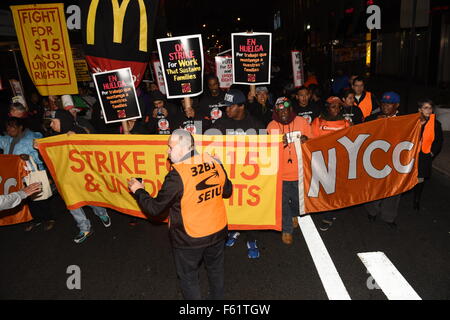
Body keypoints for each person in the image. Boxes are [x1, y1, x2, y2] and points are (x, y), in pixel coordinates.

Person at [128, 129, 232, 300]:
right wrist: (220, 167)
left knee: (189, 278)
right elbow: (227, 191)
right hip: (218, 231)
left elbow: (155, 209)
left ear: (183, 148)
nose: (167, 152)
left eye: (170, 147)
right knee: (215, 270)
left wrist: (139, 191)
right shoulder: (214, 161)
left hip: (190, 238)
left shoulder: (177, 175)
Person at [209, 89, 265, 259]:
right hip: (228, 176)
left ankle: (251, 238)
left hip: (249, 176)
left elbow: (267, 151)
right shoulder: (219, 124)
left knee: (248, 208)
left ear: (241, 106)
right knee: (229, 205)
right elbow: (207, 142)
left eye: (230, 106)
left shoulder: (256, 125)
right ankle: (233, 230)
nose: (226, 110)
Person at [45, 109, 112, 242]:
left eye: (53, 122)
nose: (51, 125)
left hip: (83, 176)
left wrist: (77, 139)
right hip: (66, 177)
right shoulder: (52, 137)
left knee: (91, 197)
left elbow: (94, 150)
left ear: (62, 121)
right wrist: (40, 149)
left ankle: (102, 213)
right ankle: (85, 228)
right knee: (73, 203)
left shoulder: (79, 131)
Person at [267, 97, 312, 244]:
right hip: (281, 174)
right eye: (280, 110)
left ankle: (294, 214)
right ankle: (287, 230)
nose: (284, 112)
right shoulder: (271, 126)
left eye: (286, 109)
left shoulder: (302, 122)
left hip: (299, 172)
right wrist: (279, 144)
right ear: (276, 112)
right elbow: (268, 151)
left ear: (291, 109)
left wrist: (307, 141)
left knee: (299, 202)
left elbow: (314, 142)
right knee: (283, 203)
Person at [0, 117, 56, 231]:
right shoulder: (7, 140)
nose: (9, 130)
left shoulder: (32, 138)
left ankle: (49, 218)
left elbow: (42, 158)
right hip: (17, 176)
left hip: (32, 173)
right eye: (8, 128)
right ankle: (37, 219)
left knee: (40, 197)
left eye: (12, 127)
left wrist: (29, 157)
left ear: (20, 127)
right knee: (28, 199)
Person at [310, 97, 351, 231]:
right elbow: (312, 141)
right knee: (324, 189)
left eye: (339, 106)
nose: (336, 109)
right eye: (333, 106)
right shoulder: (318, 121)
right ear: (327, 107)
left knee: (333, 190)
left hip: (338, 161)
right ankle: (326, 210)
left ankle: (329, 215)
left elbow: (350, 141)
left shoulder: (345, 123)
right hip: (322, 160)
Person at [364, 92, 402, 228]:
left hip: (395, 160)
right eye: (384, 103)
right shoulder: (372, 118)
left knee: (394, 190)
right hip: (375, 160)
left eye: (389, 103)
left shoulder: (405, 120)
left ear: (397, 105)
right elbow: (362, 136)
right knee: (375, 187)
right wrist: (375, 124)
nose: (385, 106)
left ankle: (389, 217)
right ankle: (372, 211)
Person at [413, 99, 443, 212]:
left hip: (424, 155)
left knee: (420, 179)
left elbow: (438, 141)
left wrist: (432, 153)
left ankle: (416, 200)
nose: (428, 110)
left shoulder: (436, 124)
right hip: (411, 155)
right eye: (425, 108)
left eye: (430, 108)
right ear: (420, 109)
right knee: (407, 177)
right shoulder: (413, 121)